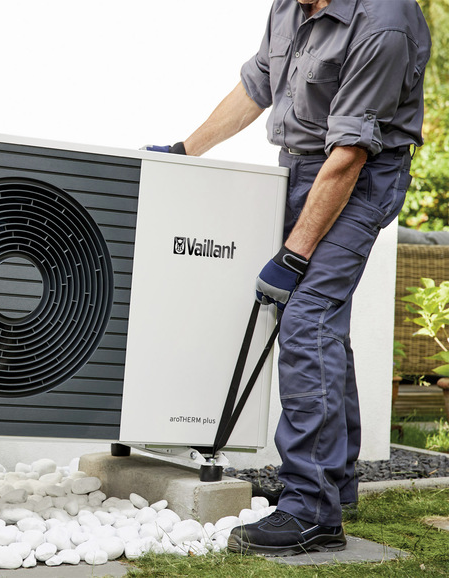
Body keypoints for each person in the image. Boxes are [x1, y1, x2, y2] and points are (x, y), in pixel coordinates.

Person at [150, 0, 430, 556]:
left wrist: (295, 256)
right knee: (324, 325)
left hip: (361, 175)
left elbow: (350, 153)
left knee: (306, 321)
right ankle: (336, 481)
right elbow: (258, 83)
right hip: (301, 166)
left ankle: (312, 510)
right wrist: (185, 152)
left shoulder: (384, 22)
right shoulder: (289, 6)